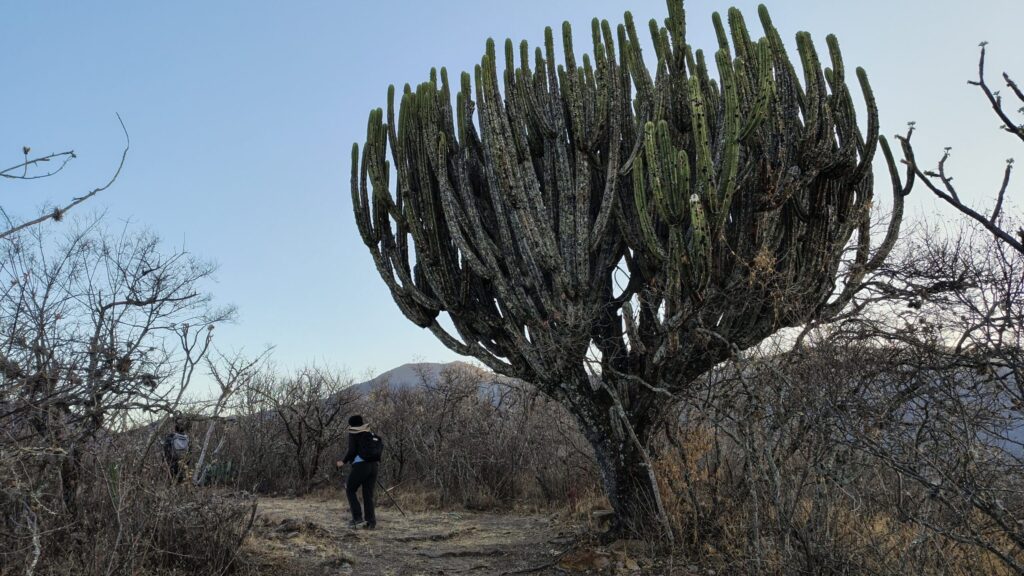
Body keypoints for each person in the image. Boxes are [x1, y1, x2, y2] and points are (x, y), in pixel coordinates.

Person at [336, 414, 379, 529]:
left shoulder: (354, 432)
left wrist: (343, 461)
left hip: (361, 466)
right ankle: (371, 522)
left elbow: (352, 451)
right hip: (374, 465)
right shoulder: (369, 432)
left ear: (351, 424)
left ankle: (357, 519)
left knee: (350, 489)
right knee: (368, 494)